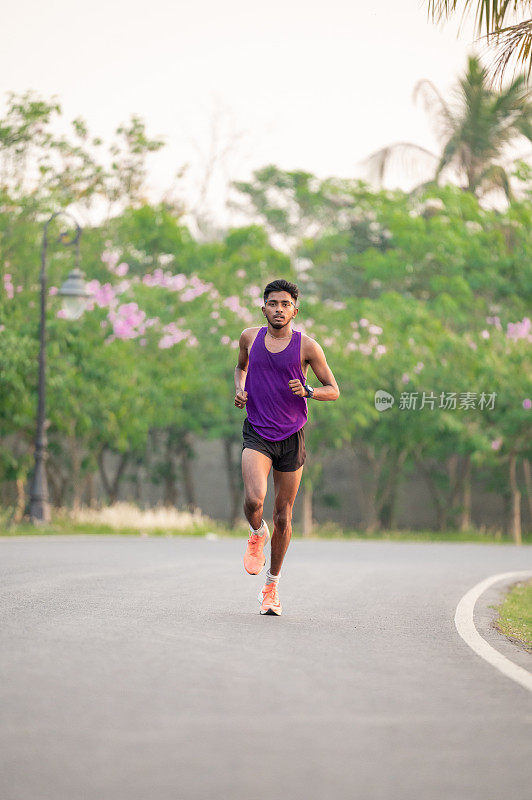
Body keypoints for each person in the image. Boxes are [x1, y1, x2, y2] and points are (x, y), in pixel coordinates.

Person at [234, 279, 340, 615]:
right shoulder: (250, 338)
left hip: (292, 437)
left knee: (283, 515)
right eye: (273, 303)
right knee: (254, 500)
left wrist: (308, 391)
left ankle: (271, 587)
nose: (279, 309)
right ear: (263, 307)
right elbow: (241, 367)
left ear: (296, 309)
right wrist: (240, 388)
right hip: (258, 432)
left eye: (285, 304)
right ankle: (255, 533)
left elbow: (333, 390)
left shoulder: (307, 347)